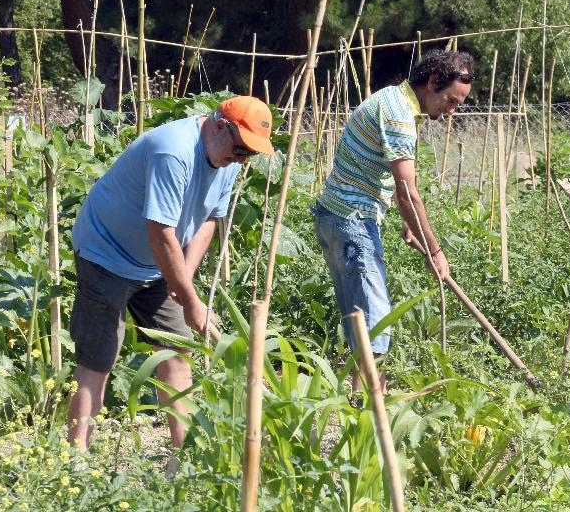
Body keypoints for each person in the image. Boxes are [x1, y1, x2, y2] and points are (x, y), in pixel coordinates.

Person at [66, 95, 275, 451]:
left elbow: (210, 218)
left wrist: (184, 284)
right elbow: (160, 231)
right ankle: (74, 461)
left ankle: (182, 460)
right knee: (98, 360)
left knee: (178, 353)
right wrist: (192, 302)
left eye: (250, 154)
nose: (241, 160)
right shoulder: (173, 151)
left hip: (159, 263)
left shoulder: (229, 161)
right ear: (220, 126)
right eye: (240, 149)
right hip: (107, 254)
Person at [312, 49, 474, 393]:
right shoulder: (400, 117)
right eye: (450, 100)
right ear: (432, 83)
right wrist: (434, 250)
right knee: (375, 321)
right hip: (352, 221)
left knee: (359, 321)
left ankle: (360, 409)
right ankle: (373, 407)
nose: (451, 111)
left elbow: (390, 184)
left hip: (334, 217)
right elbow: (408, 194)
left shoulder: (390, 97)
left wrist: (408, 222)